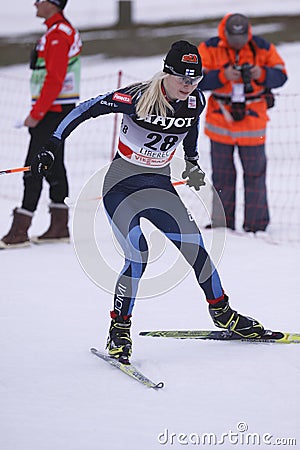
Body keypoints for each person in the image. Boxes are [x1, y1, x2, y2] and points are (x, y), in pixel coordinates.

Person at [30, 40, 265, 364]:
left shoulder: (195, 100)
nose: (189, 85)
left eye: (195, 79)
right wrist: (53, 144)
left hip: (159, 186)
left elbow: (191, 128)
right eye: (183, 78)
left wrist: (192, 161)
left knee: (196, 248)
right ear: (166, 73)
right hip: (121, 188)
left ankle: (223, 313)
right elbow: (85, 109)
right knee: (138, 254)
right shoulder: (137, 97)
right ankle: (119, 328)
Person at [0, 0, 82, 249]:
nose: (34, 3)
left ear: (53, 4)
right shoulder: (58, 30)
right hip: (56, 108)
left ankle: (21, 229)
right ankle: (59, 226)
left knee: (33, 166)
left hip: (53, 110)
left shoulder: (58, 34)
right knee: (54, 166)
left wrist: (36, 113)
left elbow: (55, 79)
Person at [198, 13, 287, 232]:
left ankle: (256, 225)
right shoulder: (209, 48)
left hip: (253, 124)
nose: (239, 42)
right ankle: (222, 224)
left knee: (255, 175)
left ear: (248, 32)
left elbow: (281, 76)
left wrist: (261, 73)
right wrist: (223, 76)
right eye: (234, 38)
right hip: (221, 122)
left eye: (242, 37)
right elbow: (195, 78)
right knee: (222, 176)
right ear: (225, 33)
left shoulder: (262, 47)